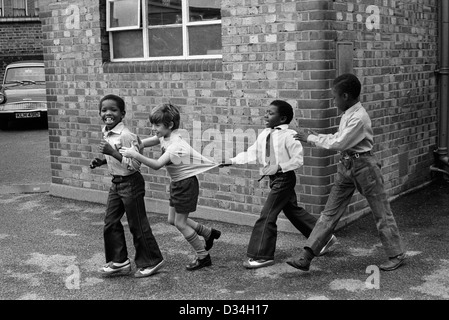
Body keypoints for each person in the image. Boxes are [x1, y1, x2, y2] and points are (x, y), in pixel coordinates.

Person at [287, 73, 406, 272]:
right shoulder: (349, 113)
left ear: (345, 96)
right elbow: (340, 138)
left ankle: (397, 254)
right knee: (329, 213)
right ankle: (307, 256)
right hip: (347, 166)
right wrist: (315, 136)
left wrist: (310, 138)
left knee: (381, 212)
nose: (333, 101)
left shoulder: (359, 118)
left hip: (365, 168)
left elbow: (340, 142)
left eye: (334, 97)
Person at [221, 100, 336, 269]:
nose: (266, 115)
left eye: (270, 113)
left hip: (284, 177)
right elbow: (251, 153)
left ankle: (262, 255)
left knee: (267, 214)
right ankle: (324, 238)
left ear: (282, 118)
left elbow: (298, 160)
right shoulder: (264, 134)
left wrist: (279, 166)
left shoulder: (290, 136)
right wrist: (230, 161)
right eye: (266, 112)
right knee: (292, 211)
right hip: (274, 179)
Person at [119, 103, 221, 271]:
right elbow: (150, 141)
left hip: (185, 185)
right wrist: (137, 144)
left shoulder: (175, 146)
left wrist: (135, 154)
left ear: (170, 125)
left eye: (157, 125)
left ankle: (203, 256)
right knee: (171, 220)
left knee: (180, 223)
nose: (153, 128)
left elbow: (158, 164)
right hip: (177, 184)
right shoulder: (165, 136)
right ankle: (209, 233)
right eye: (152, 124)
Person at [90, 94, 165, 278]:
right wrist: (101, 161)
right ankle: (120, 261)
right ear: (100, 113)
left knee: (137, 224)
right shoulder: (107, 131)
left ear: (122, 114)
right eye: (104, 110)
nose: (108, 113)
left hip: (131, 183)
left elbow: (135, 165)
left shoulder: (126, 135)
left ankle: (152, 261)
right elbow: (117, 160)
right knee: (110, 222)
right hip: (116, 183)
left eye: (113, 110)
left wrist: (111, 152)